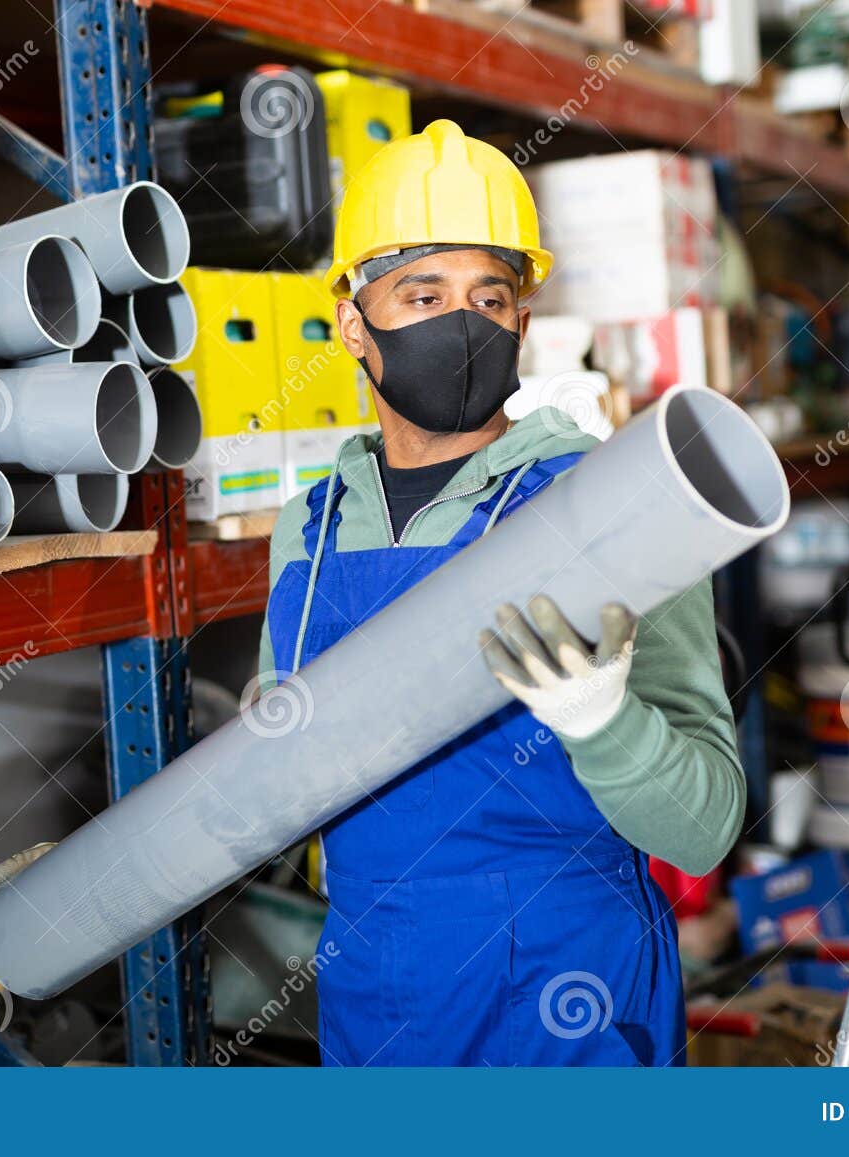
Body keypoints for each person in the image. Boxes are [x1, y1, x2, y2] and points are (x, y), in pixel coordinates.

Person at [258, 120, 744, 1067]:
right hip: (377, 992)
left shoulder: (611, 506)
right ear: (354, 321)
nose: (465, 323)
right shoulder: (308, 533)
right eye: (423, 293)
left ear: (524, 317)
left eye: (492, 295)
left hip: (568, 996)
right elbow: (277, 788)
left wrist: (604, 720)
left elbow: (706, 826)